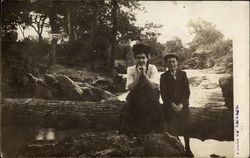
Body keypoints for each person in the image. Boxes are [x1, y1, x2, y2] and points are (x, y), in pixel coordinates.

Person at [120, 43, 166, 134]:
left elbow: (154, 86)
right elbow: (130, 87)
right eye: (138, 58)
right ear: (135, 59)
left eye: (143, 58)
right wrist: (138, 76)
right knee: (127, 107)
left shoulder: (152, 68)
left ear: (147, 58)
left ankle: (157, 130)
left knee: (155, 106)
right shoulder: (131, 69)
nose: (141, 60)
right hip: (136, 95)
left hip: (151, 95)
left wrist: (144, 75)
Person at [160, 53, 194, 157]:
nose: (172, 64)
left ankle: (188, 148)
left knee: (186, 125)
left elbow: (186, 91)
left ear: (177, 62)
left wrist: (182, 104)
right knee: (171, 126)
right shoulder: (163, 76)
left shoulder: (183, 74)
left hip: (182, 105)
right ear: (166, 64)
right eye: (169, 62)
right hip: (170, 106)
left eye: (174, 61)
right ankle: (179, 147)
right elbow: (163, 93)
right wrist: (172, 105)